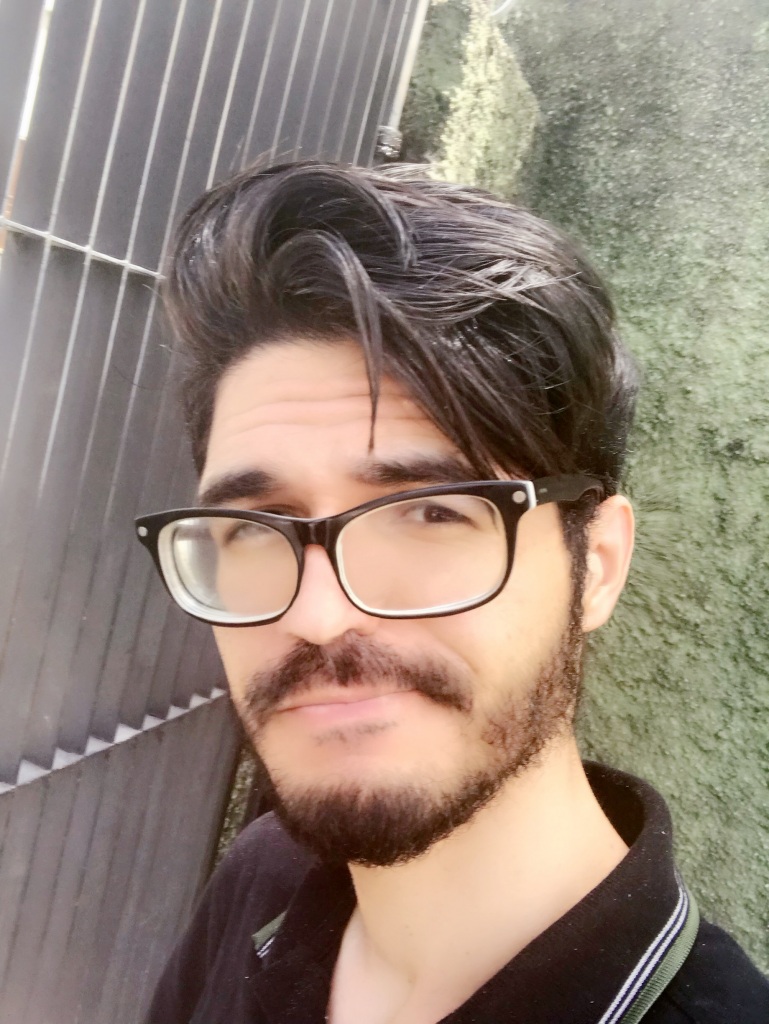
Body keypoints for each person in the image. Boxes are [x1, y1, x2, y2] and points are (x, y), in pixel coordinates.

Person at [137, 162, 768, 1024]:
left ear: (597, 564)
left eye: (431, 513)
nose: (315, 617)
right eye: (254, 528)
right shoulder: (263, 879)